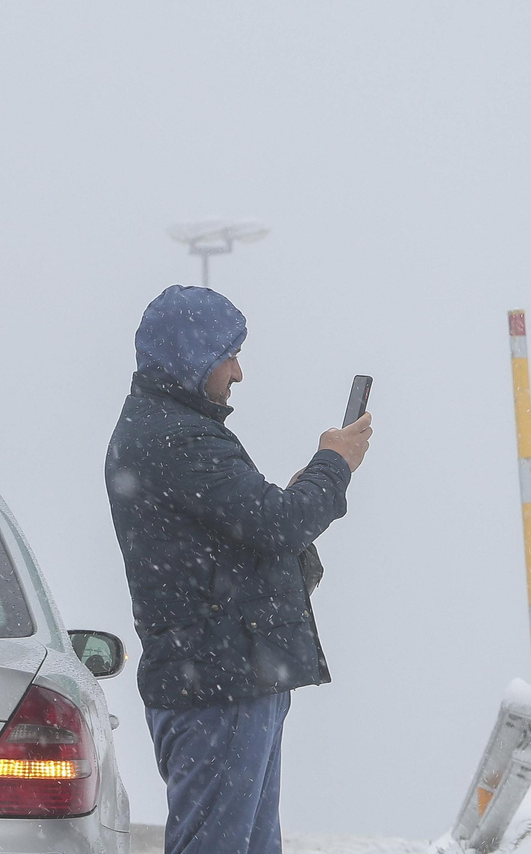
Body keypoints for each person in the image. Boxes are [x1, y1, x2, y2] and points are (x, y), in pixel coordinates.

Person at [105, 286, 372, 854]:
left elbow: (252, 525)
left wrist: (308, 485)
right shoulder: (177, 437)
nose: (238, 371)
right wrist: (334, 464)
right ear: (191, 356)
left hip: (227, 676)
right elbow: (277, 526)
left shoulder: (169, 430)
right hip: (217, 682)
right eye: (228, 353)